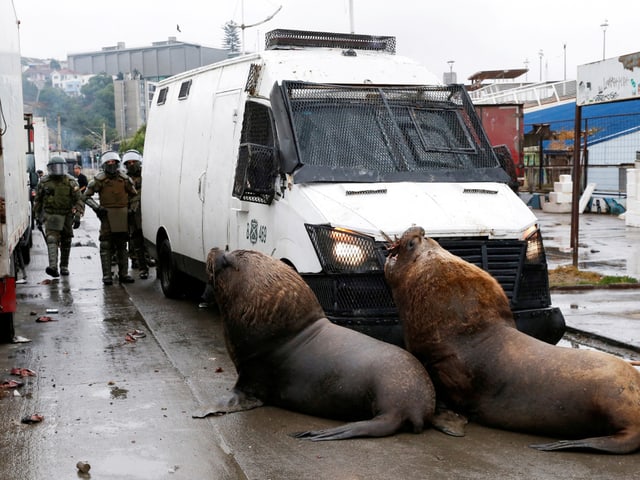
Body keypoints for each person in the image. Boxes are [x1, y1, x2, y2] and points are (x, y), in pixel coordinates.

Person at [83, 151, 138, 285]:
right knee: (106, 245)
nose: (111, 164)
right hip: (106, 215)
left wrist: (132, 209)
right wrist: (97, 208)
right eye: (109, 162)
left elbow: (135, 195)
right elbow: (85, 196)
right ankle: (107, 275)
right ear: (104, 164)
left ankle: (124, 274)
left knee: (122, 245)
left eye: (113, 162)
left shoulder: (124, 179)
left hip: (122, 215)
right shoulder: (99, 180)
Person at [33, 156, 84, 277]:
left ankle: (64, 266)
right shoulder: (44, 182)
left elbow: (79, 200)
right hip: (51, 214)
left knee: (66, 240)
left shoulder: (71, 182)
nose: (57, 170)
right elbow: (38, 200)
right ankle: (53, 267)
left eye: (59, 167)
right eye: (54, 167)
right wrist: (37, 216)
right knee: (52, 240)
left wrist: (78, 214)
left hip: (66, 215)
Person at [122, 149, 149, 279]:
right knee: (136, 242)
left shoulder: (148, 176)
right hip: (133, 215)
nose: (131, 164)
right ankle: (142, 268)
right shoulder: (124, 179)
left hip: (148, 214)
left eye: (134, 162)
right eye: (129, 163)